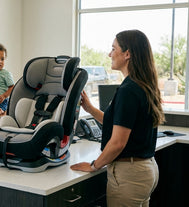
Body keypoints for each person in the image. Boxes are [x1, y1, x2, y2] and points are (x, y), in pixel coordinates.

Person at [70, 30, 165, 207]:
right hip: (146, 170)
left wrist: (94, 165)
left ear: (127, 54)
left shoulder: (128, 90)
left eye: (113, 49)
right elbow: (120, 124)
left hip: (129, 175)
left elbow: (118, 142)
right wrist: (90, 109)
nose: (109, 54)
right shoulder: (143, 85)